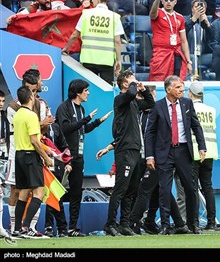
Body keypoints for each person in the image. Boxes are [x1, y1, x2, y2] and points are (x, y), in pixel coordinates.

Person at [145, 75, 206, 235]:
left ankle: (193, 224)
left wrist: (202, 146)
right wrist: (149, 156)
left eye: (182, 87)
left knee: (191, 188)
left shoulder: (187, 103)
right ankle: (165, 225)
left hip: (184, 151)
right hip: (164, 153)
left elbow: (196, 126)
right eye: (178, 87)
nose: (182, 90)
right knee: (164, 190)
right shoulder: (158, 107)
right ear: (168, 89)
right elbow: (149, 132)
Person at [55, 79, 112, 237]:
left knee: (76, 192)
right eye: (86, 90)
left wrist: (98, 121)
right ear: (78, 92)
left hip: (78, 157)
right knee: (57, 192)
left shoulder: (81, 109)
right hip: (64, 156)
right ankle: (58, 227)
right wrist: (86, 119)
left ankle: (72, 228)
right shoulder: (64, 107)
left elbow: (82, 129)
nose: (88, 93)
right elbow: (66, 128)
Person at [103, 70, 155, 237]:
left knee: (131, 189)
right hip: (124, 150)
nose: (135, 81)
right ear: (124, 84)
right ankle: (110, 224)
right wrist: (134, 85)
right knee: (120, 188)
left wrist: (144, 90)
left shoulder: (133, 103)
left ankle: (124, 224)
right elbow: (131, 92)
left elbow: (150, 104)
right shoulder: (120, 100)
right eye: (131, 79)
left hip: (135, 150)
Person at [6, 69, 54, 236]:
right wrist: (47, 156)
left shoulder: (19, 113)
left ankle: (19, 228)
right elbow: (34, 139)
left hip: (20, 153)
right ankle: (25, 226)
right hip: (29, 154)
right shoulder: (25, 113)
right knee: (38, 191)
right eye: (32, 91)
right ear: (30, 94)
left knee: (24, 191)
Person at [62, 0, 124, 86]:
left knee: (87, 90)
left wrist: (66, 48)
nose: (92, 1)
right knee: (106, 90)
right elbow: (117, 41)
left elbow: (74, 35)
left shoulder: (87, 14)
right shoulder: (114, 17)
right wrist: (118, 60)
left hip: (88, 59)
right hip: (106, 61)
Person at [188, 81, 218, 230]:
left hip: (194, 151)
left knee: (193, 188)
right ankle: (212, 222)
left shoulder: (189, 108)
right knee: (207, 187)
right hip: (210, 151)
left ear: (190, 93)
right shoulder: (210, 110)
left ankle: (194, 222)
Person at [147, 0, 192, 81]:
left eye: (171, 0)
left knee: (176, 82)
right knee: (158, 79)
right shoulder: (158, 13)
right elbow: (152, 14)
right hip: (161, 54)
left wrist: (188, 61)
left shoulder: (180, 17)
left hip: (176, 54)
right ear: (162, 1)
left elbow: (184, 41)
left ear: (175, 2)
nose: (168, 2)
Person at [43, 120, 72, 238]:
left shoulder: (55, 127)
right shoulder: (37, 127)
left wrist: (68, 162)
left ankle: (61, 228)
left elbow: (64, 146)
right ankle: (50, 227)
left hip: (57, 166)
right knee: (50, 197)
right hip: (43, 167)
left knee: (57, 197)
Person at [6, 0, 88, 25]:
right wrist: (12, 17)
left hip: (68, 23)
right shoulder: (35, 6)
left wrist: (83, 0)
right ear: (37, 0)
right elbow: (23, 13)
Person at [0, 90, 10, 238]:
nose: (1, 104)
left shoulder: (4, 117)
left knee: (1, 194)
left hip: (2, 158)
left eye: (2, 101)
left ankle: (1, 227)